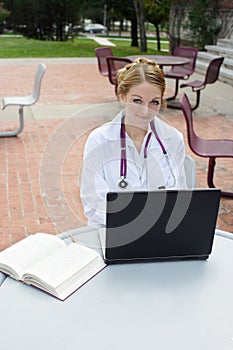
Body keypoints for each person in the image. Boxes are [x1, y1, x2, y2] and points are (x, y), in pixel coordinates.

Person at [80, 57, 187, 227]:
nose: (146, 111)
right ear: (122, 97)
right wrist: (134, 226)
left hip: (160, 230)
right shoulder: (99, 140)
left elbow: (179, 196)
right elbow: (94, 204)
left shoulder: (174, 139)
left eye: (154, 102)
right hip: (110, 230)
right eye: (137, 100)